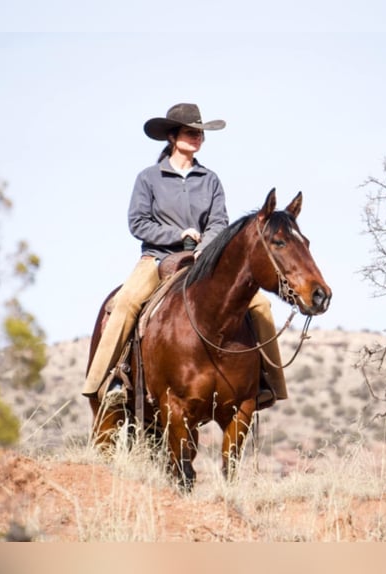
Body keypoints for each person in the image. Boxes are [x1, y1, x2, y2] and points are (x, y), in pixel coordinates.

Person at [82, 102, 287, 408]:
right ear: (172, 137)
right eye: (191, 133)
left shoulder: (210, 179)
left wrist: (205, 246)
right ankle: (107, 382)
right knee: (125, 303)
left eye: (200, 134)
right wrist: (176, 236)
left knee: (261, 305)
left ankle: (267, 383)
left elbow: (219, 222)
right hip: (158, 258)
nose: (197, 139)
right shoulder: (149, 178)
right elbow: (138, 223)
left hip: (206, 260)